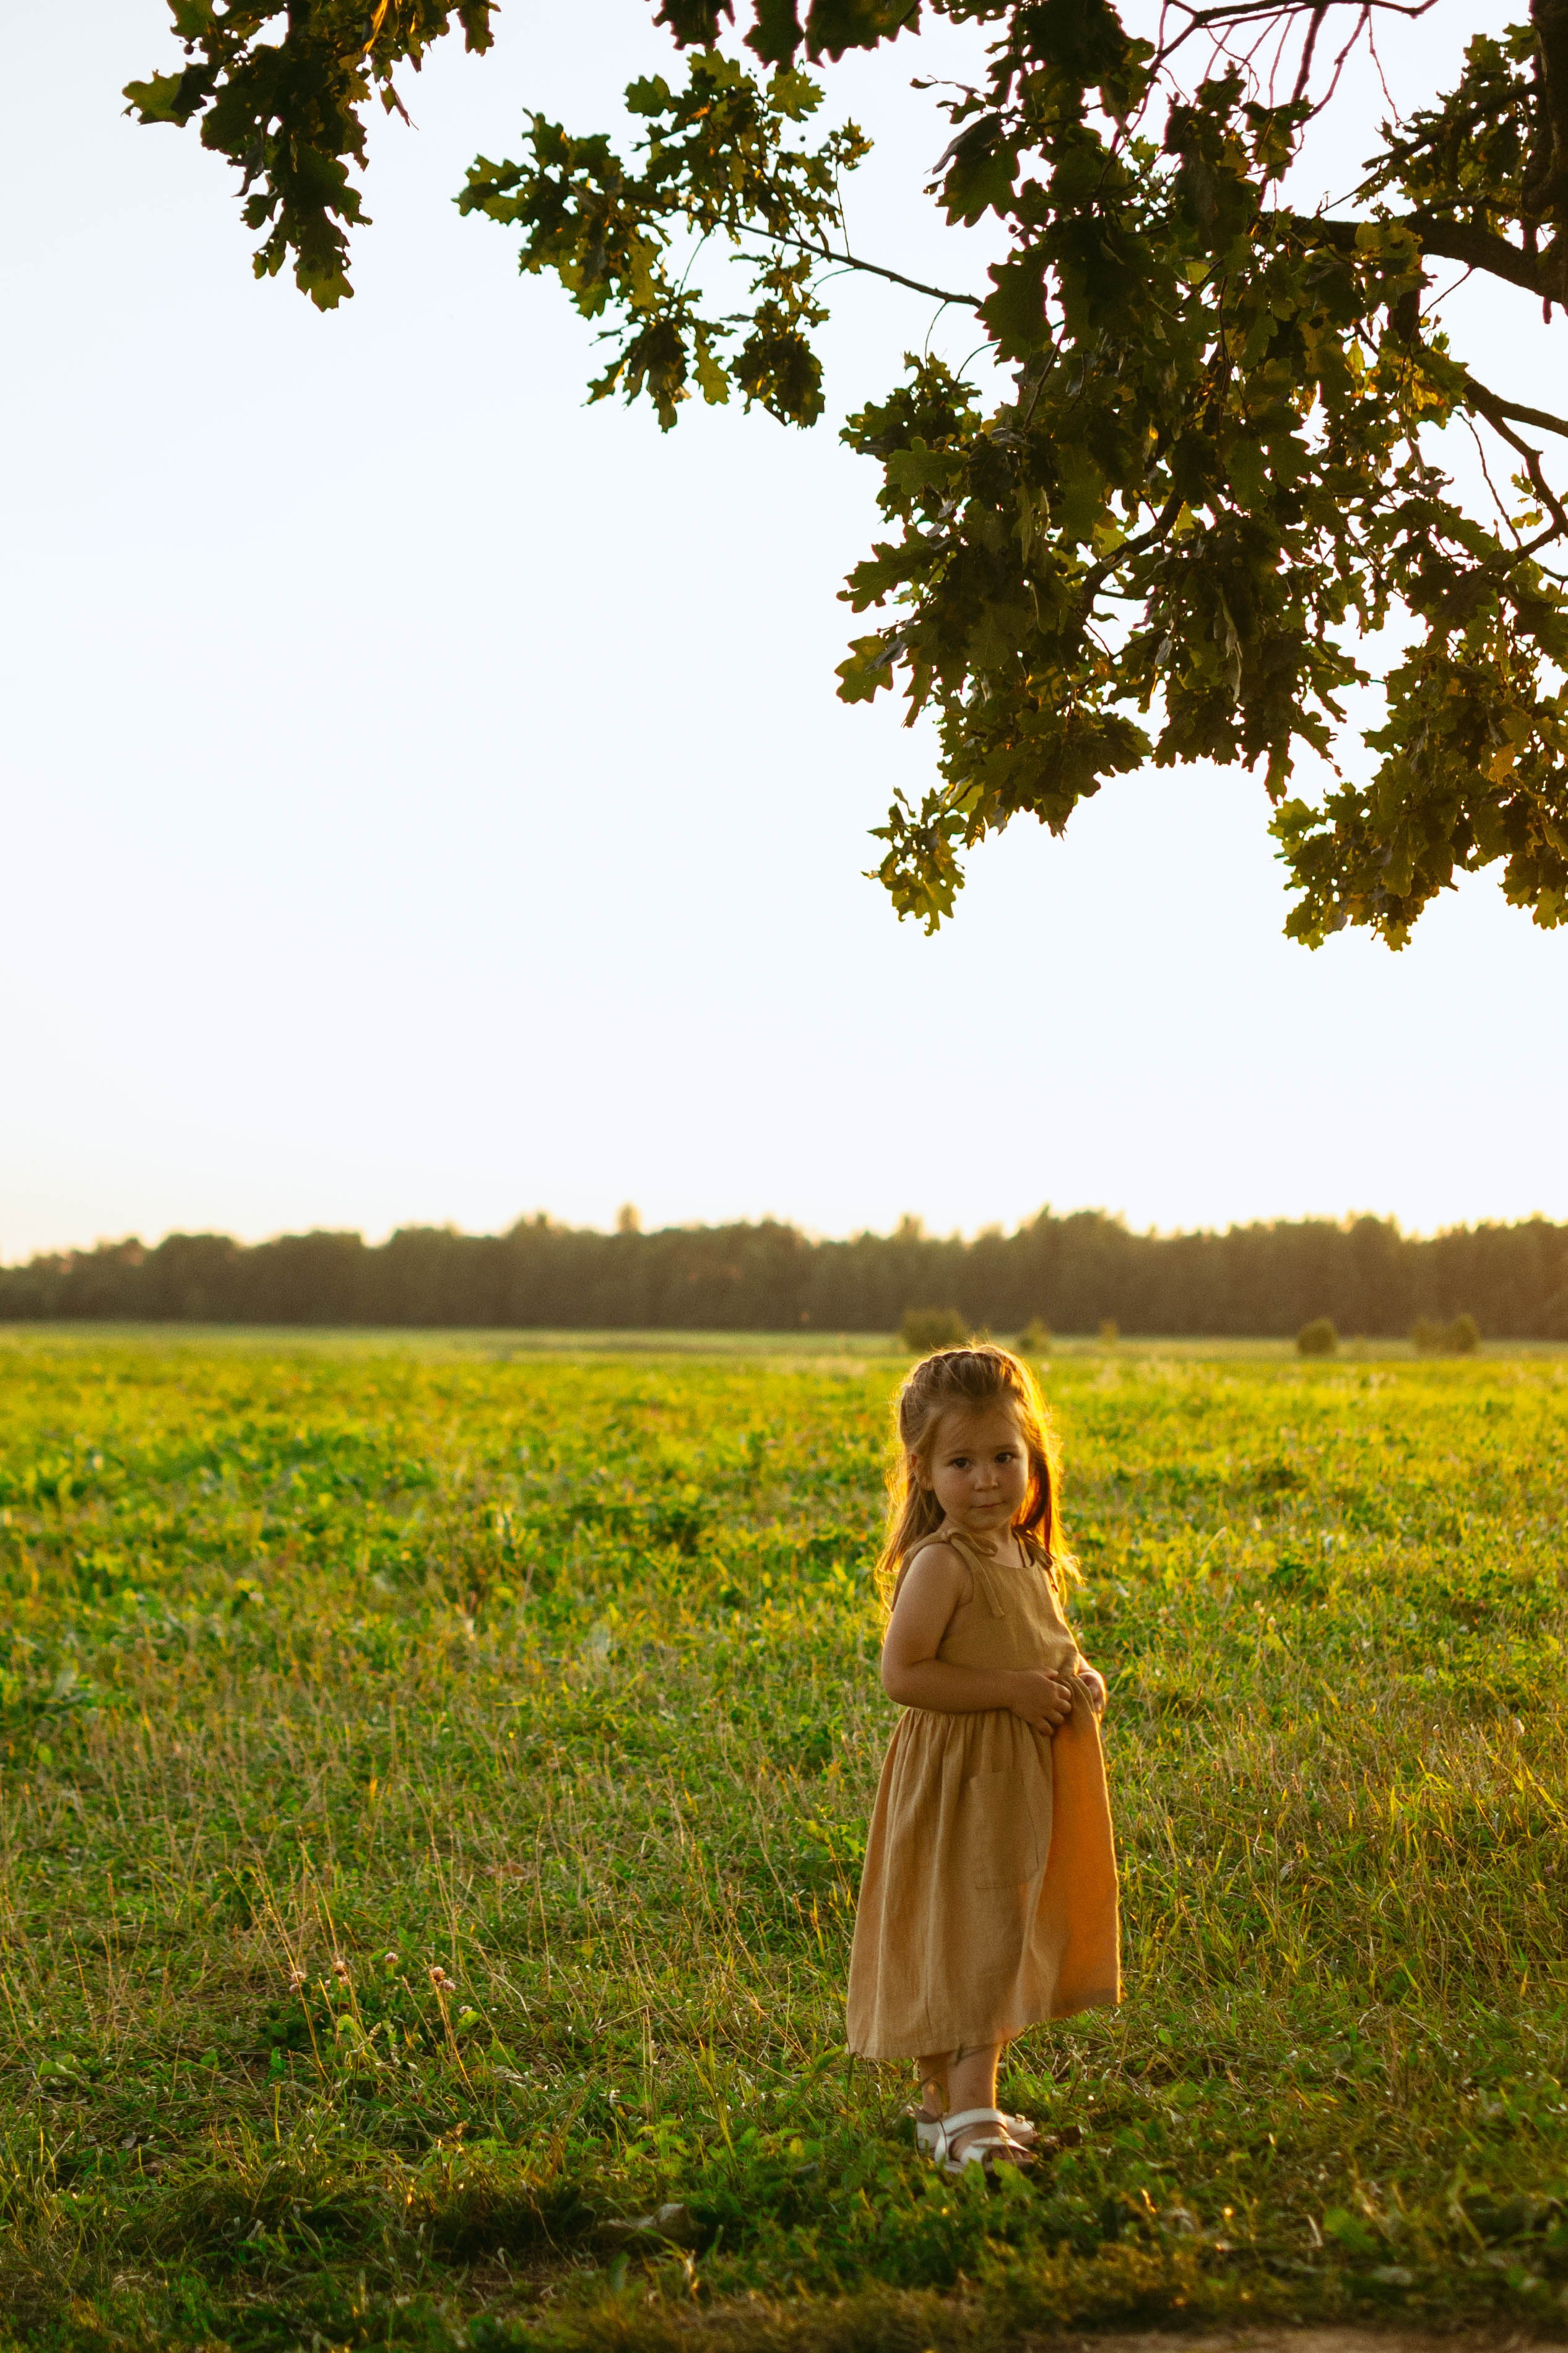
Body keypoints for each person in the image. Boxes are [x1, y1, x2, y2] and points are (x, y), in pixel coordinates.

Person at [846, 1344, 1120, 2173]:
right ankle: (969, 2116)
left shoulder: (1024, 1554)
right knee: (977, 1941)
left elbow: (1043, 1645)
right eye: (961, 1463)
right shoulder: (942, 1564)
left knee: (1007, 1932)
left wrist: (1078, 1677)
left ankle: (947, 2112)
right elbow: (904, 1674)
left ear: (1034, 1457)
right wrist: (1010, 1691)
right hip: (961, 1786)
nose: (988, 1480)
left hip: (1017, 1786)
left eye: (1004, 1456)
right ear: (923, 1473)